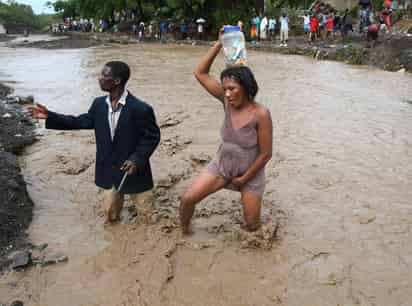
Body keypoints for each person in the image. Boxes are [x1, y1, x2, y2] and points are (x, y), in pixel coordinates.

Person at [27, 61, 161, 224]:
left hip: (135, 171)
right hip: (110, 170)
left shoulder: (140, 109)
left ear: (117, 81)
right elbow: (80, 121)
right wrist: (50, 116)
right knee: (111, 217)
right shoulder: (99, 105)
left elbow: (152, 137)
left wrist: (136, 159)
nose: (99, 78)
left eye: (104, 75)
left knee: (147, 218)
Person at [179, 29, 273, 234]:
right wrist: (219, 43)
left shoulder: (261, 114)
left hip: (251, 173)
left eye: (232, 88)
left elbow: (266, 154)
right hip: (222, 167)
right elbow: (200, 73)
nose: (227, 94)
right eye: (225, 89)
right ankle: (184, 233)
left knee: (252, 226)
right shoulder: (226, 101)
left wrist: (244, 178)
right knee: (187, 200)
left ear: (246, 87)